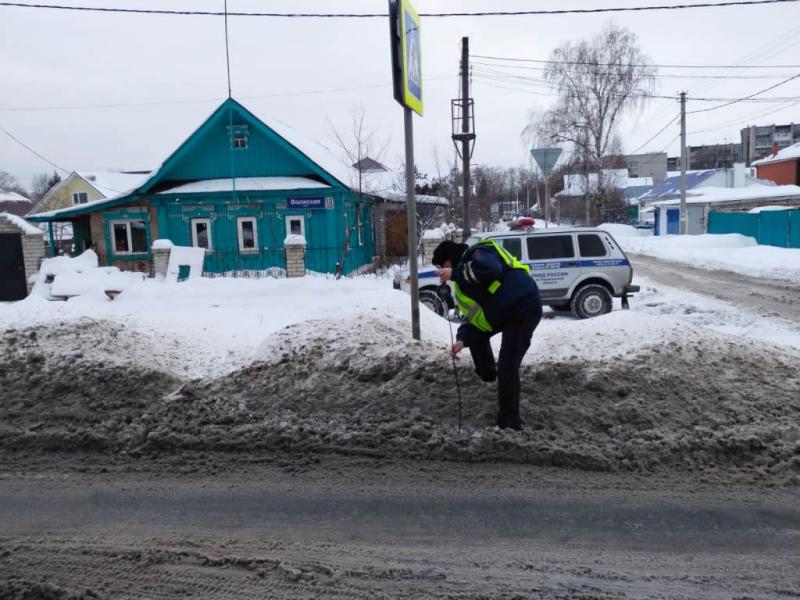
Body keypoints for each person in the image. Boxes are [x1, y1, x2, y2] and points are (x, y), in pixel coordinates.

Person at [432, 239, 542, 430]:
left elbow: (491, 269)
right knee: (477, 338)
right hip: (503, 312)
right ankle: (489, 373)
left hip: (523, 304)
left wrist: (456, 273)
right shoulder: (462, 286)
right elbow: (475, 318)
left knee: (508, 364)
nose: (442, 272)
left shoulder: (478, 253)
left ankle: (509, 422)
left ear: (450, 260)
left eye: (442, 266)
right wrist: (462, 339)